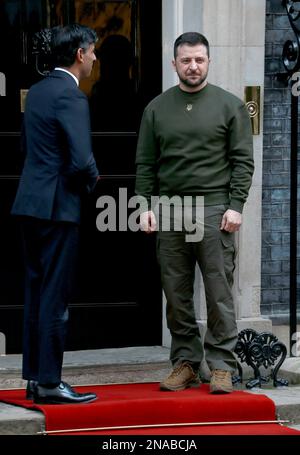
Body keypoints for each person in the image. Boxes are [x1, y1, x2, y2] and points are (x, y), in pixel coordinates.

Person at [135, 32, 254, 394]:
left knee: (219, 292)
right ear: (174, 64)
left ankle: (220, 366)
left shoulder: (229, 105)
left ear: (208, 61)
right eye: (186, 60)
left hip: (215, 209)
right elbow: (146, 163)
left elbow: (242, 162)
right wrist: (143, 206)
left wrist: (236, 206)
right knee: (176, 292)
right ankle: (185, 362)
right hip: (169, 209)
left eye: (199, 59)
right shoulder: (156, 108)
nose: (193, 66)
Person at [11, 24, 100, 404]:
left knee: (36, 289)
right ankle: (49, 382)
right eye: (93, 51)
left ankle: (34, 377)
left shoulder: (40, 92)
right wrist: (93, 183)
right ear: (79, 54)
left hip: (30, 202)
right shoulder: (72, 96)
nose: (95, 58)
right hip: (57, 207)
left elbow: (25, 146)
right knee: (55, 296)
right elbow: (82, 161)